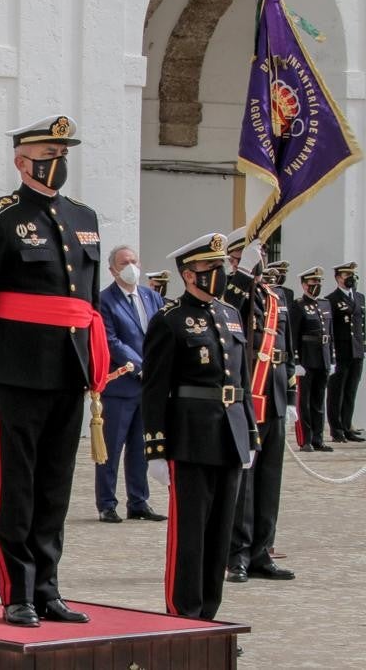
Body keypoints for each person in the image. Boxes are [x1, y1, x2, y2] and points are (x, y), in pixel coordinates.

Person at [0, 115, 100, 627]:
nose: (56, 164)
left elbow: (89, 301)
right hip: (17, 371)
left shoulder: (85, 217)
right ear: (22, 162)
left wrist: (93, 361)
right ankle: (17, 591)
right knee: (17, 486)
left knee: (56, 485)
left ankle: (48, 587)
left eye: (61, 156)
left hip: (69, 369)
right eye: (46, 156)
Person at [143, 232, 257, 621]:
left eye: (221, 268)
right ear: (189, 275)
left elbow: (241, 378)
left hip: (230, 435)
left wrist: (251, 433)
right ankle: (184, 616)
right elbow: (155, 389)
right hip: (191, 439)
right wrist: (156, 449)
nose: (219, 275)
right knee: (189, 537)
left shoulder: (231, 315)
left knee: (220, 535)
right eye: (211, 268)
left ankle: (209, 617)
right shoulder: (170, 320)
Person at [222, 229, 296, 584]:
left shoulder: (276, 298)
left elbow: (288, 351)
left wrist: (292, 398)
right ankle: (237, 554)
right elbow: (227, 316)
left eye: (260, 256)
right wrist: (238, 277)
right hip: (246, 399)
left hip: (275, 395)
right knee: (244, 483)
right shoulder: (228, 293)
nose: (259, 262)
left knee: (269, 481)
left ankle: (262, 551)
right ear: (234, 260)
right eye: (250, 257)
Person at [96, 245, 166, 523]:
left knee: (141, 447)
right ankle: (106, 503)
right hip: (121, 385)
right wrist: (141, 366)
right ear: (113, 269)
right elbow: (112, 341)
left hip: (148, 388)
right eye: (125, 262)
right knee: (111, 449)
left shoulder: (152, 297)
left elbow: (161, 333)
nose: (131, 267)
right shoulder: (104, 300)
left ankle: (139, 501)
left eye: (134, 261)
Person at [291, 267, 336, 452]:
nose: (316, 286)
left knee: (318, 401)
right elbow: (293, 335)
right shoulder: (298, 305)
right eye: (312, 284)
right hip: (306, 359)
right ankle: (305, 440)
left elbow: (330, 333)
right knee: (305, 402)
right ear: (304, 285)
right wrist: (296, 361)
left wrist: (332, 358)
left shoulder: (325, 304)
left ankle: (318, 438)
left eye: (318, 283)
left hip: (323, 357)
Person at [326, 261, 365, 443]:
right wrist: (331, 353)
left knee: (351, 390)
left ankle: (347, 425)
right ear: (338, 278)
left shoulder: (359, 298)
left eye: (352, 275)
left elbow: (361, 325)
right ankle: (337, 429)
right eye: (346, 275)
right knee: (337, 391)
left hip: (356, 351)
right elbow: (329, 329)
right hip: (340, 352)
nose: (351, 278)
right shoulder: (331, 300)